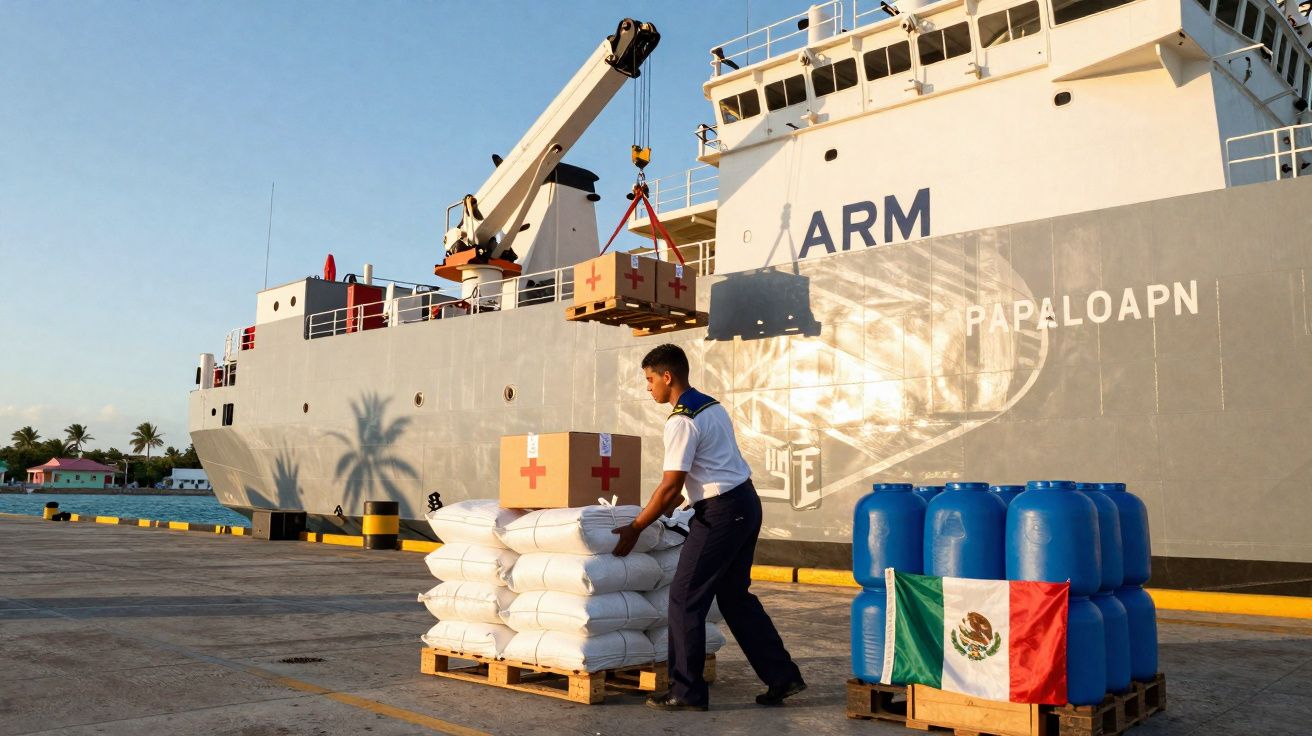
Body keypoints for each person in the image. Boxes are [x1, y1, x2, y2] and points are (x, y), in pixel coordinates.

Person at [613, 343, 806, 711]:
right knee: (735, 597)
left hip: (721, 513)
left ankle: (686, 692)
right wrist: (671, 510)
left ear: (667, 377)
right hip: (744, 503)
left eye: (650, 379)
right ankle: (783, 677)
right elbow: (691, 480)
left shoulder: (681, 420)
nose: (648, 387)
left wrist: (637, 526)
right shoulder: (711, 405)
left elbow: (670, 485)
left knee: (684, 599)